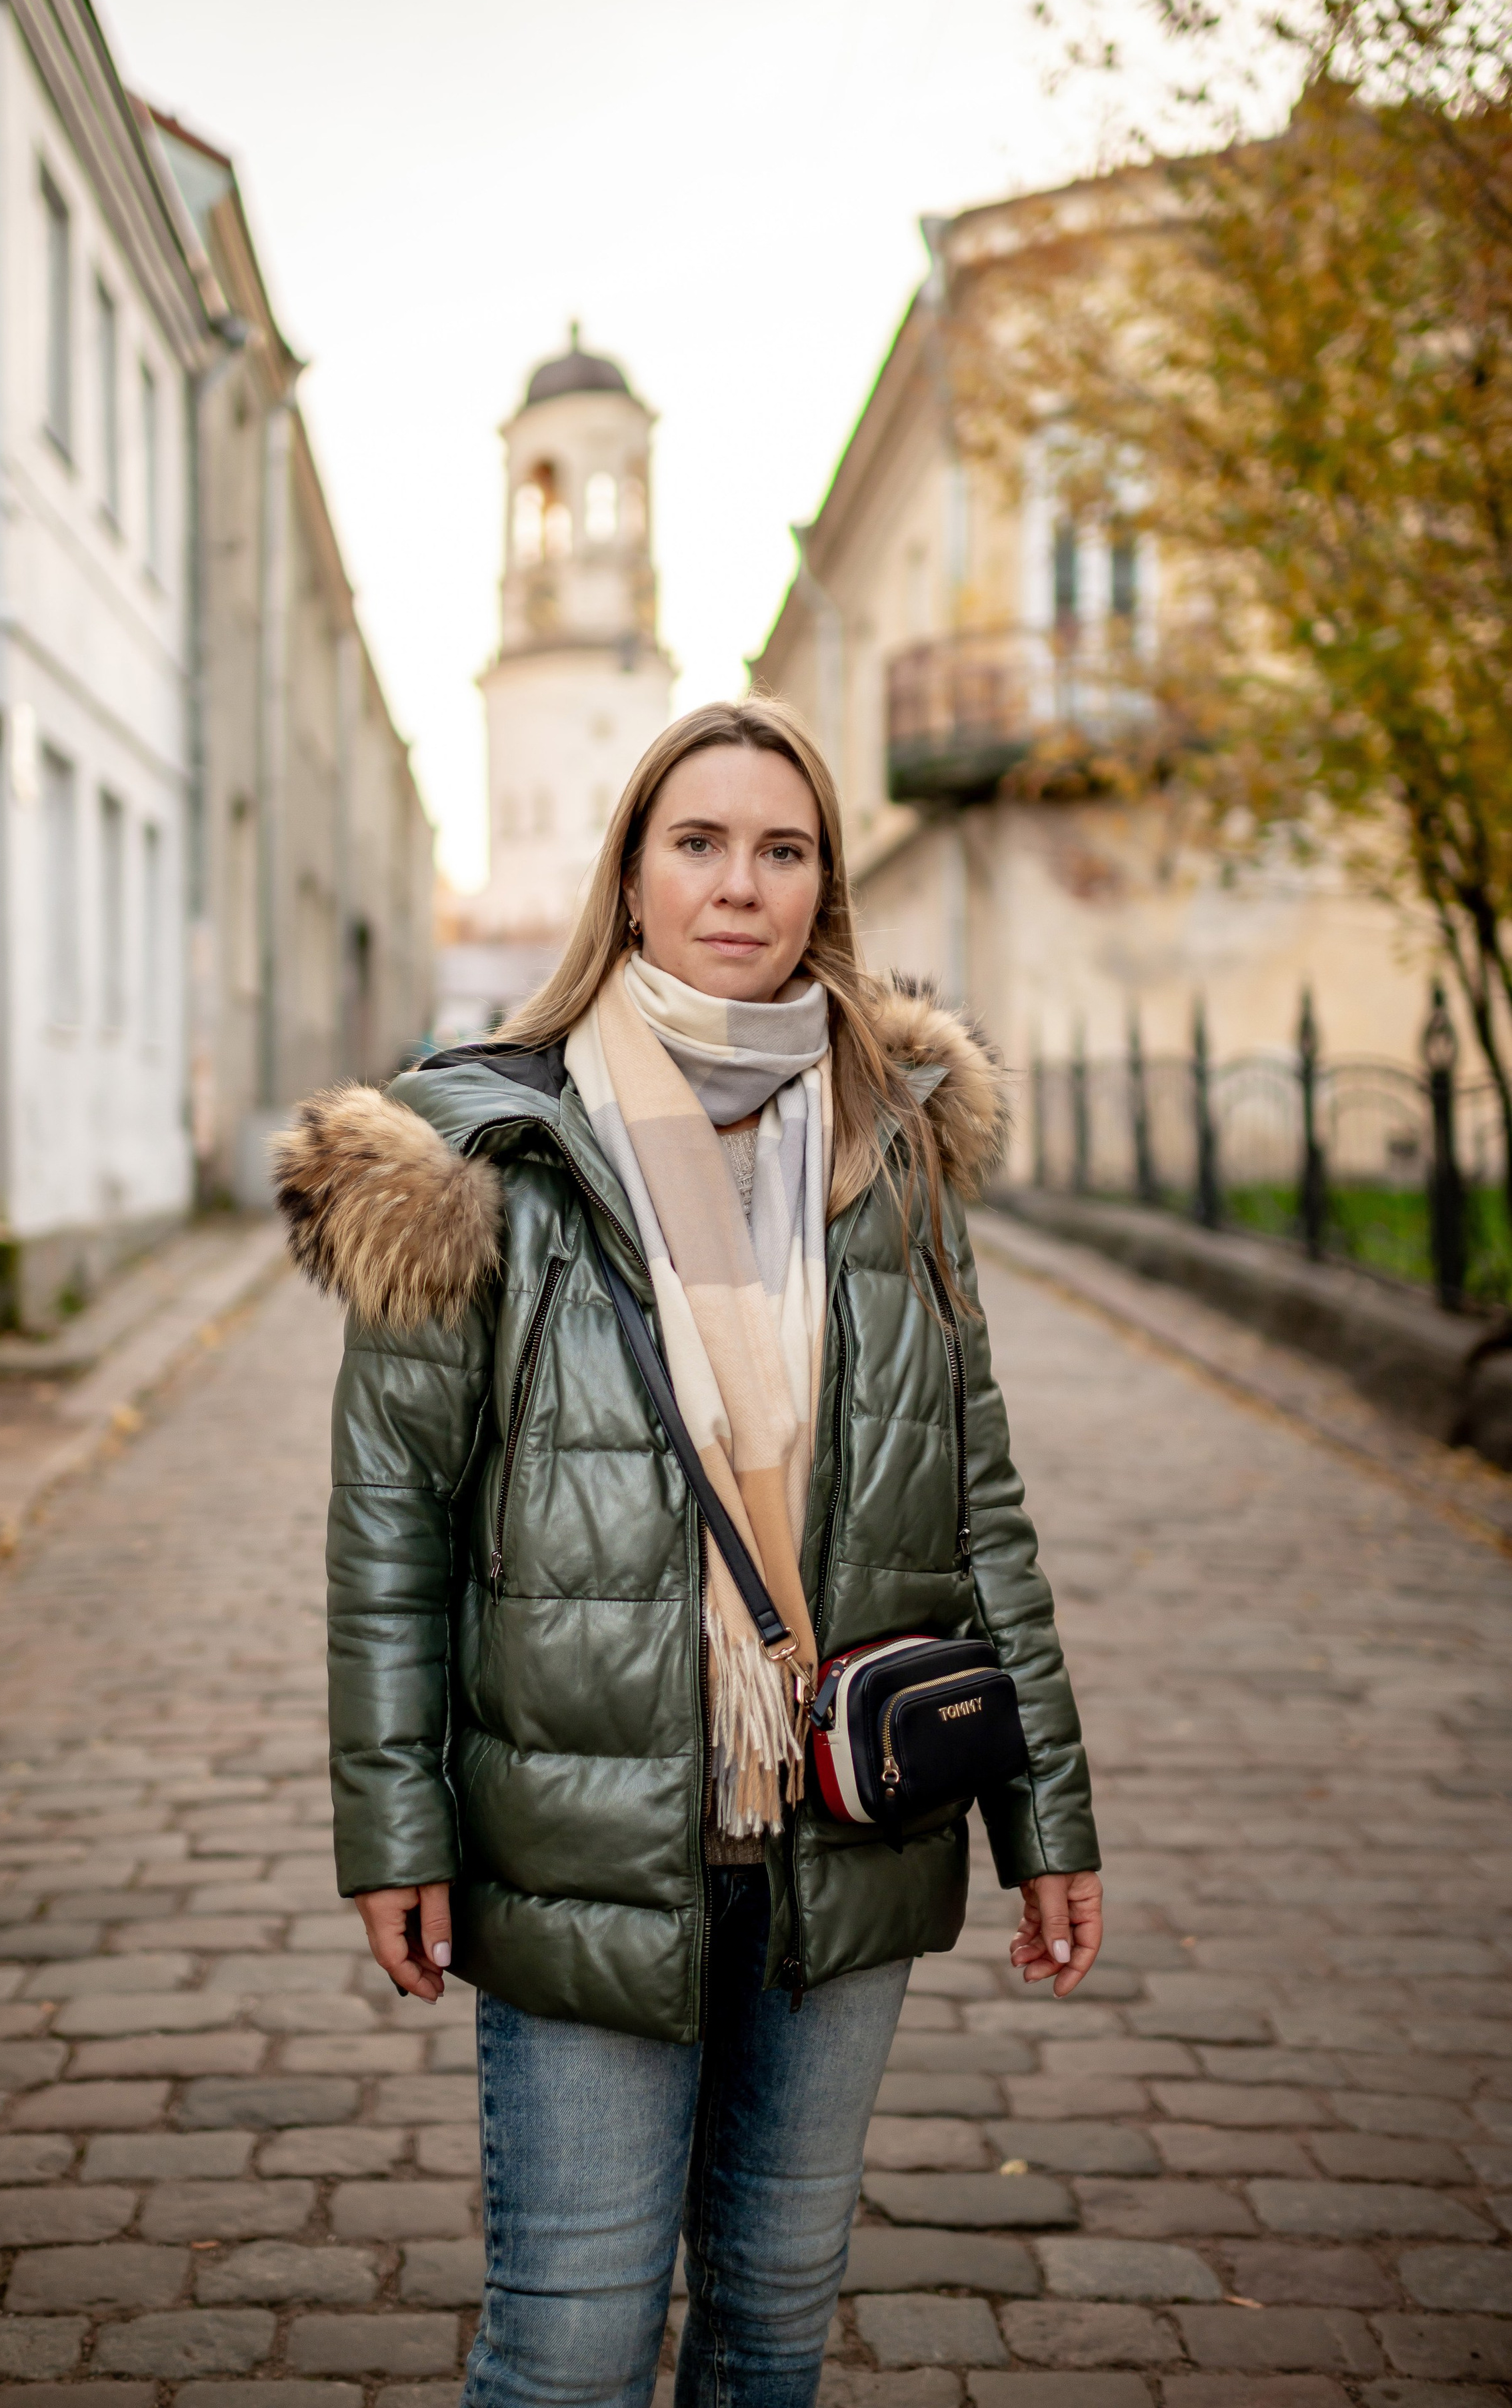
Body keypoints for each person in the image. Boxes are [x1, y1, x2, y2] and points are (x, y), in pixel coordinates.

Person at [275, 698, 1101, 2408]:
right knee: (570, 2336)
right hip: (581, 1820)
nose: (741, 885)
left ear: (823, 888)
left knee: (773, 2316)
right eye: (698, 843)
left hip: (846, 1813)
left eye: (782, 849)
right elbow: (389, 1528)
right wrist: (393, 1824)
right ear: (631, 879)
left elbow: (980, 1503)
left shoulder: (895, 1150)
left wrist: (1048, 1818)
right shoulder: (476, 1149)